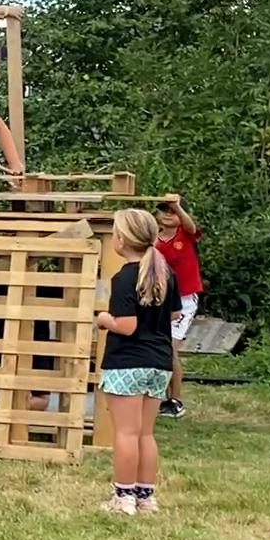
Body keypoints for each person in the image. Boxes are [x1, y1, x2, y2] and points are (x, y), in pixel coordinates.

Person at [94, 209, 182, 516]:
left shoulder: (124, 277)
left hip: (127, 363)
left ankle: (124, 497)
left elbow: (127, 325)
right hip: (159, 362)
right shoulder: (165, 272)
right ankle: (146, 497)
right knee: (146, 433)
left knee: (126, 433)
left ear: (121, 240)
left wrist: (104, 319)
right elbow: (174, 314)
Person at [153, 194, 203, 419]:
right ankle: (160, 398)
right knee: (157, 347)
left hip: (184, 299)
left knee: (170, 348)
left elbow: (191, 226)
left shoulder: (185, 234)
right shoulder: (153, 239)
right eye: (164, 210)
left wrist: (178, 206)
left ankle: (175, 400)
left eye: (171, 211)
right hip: (160, 299)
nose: (167, 214)